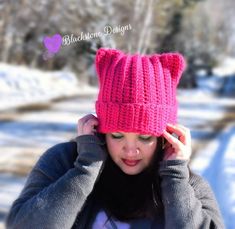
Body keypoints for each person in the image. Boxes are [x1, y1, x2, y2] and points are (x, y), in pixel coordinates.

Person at [6, 48, 224, 229]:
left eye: (145, 137)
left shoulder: (187, 187)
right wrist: (85, 169)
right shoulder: (63, 163)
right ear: (101, 129)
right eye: (117, 135)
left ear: (165, 136)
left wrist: (175, 177)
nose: (130, 150)